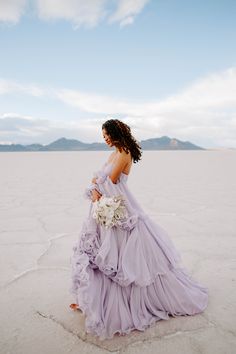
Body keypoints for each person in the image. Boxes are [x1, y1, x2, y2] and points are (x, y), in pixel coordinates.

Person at [69, 118, 208, 340]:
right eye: (103, 136)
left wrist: (95, 186)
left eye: (107, 135)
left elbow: (111, 180)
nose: (105, 140)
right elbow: (100, 179)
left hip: (118, 207)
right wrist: (95, 187)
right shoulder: (114, 152)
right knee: (100, 254)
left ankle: (115, 308)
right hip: (107, 206)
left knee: (120, 258)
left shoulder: (123, 152)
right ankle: (92, 303)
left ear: (116, 133)